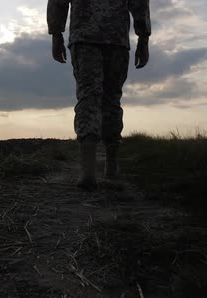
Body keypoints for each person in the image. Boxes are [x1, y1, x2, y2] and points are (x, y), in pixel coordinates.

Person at [47, 0, 151, 190]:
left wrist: (56, 34)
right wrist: (143, 38)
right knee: (111, 100)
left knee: (89, 98)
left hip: (85, 38)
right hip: (115, 39)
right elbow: (140, 4)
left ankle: (89, 170)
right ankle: (111, 164)